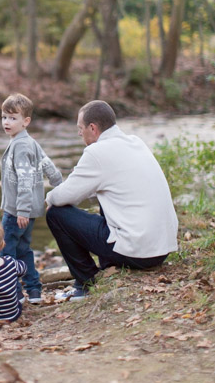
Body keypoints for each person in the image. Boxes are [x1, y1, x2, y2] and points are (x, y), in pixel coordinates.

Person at [46, 100, 178, 300]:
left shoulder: (96, 152)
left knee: (55, 214)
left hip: (137, 253)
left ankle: (86, 283)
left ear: (93, 128)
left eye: (80, 129)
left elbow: (63, 197)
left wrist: (48, 196)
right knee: (106, 198)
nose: (79, 134)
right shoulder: (135, 142)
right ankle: (108, 265)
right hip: (161, 249)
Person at [0, 93, 62, 304]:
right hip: (27, 212)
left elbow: (25, 180)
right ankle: (34, 291)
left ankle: (14, 295)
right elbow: (47, 164)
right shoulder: (29, 142)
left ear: (26, 121)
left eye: (13, 118)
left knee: (6, 254)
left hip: (17, 212)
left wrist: (22, 210)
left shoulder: (21, 146)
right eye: (4, 117)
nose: (7, 122)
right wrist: (59, 182)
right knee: (23, 251)